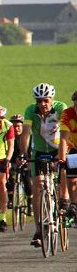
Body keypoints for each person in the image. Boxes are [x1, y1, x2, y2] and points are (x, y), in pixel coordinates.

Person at [19, 83, 66, 247]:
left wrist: (61, 156)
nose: (42, 104)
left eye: (46, 100)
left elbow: (65, 133)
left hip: (57, 149)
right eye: (39, 101)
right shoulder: (30, 110)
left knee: (62, 174)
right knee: (38, 185)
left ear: (52, 99)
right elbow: (25, 133)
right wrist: (24, 154)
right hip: (38, 151)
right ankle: (39, 229)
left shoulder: (60, 108)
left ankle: (64, 200)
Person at [6, 113, 33, 216]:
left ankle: (30, 204)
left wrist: (26, 160)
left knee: (27, 179)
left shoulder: (28, 137)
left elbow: (30, 151)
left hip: (26, 160)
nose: (16, 128)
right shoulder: (9, 137)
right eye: (14, 126)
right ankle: (10, 199)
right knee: (10, 175)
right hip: (13, 160)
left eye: (18, 126)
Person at [59, 90, 77, 218]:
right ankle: (74, 204)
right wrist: (61, 158)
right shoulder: (67, 113)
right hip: (74, 147)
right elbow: (63, 138)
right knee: (71, 176)